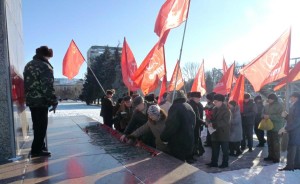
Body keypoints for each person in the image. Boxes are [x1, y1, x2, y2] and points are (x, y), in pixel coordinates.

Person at [23, 46, 58, 157]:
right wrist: (53, 100)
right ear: (46, 55)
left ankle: (40, 146)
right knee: (41, 126)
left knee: (37, 125)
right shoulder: (44, 66)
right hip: (41, 100)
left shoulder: (29, 64)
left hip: (32, 100)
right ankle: (36, 150)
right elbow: (47, 86)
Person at [160, 90, 195, 163]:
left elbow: (171, 126)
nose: (167, 98)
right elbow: (193, 123)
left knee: (176, 165)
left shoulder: (175, 107)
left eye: (169, 96)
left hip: (178, 144)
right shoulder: (188, 106)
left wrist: (163, 137)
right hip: (188, 141)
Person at [206, 94, 231, 168]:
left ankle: (225, 163)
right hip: (215, 132)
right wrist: (208, 121)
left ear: (221, 102)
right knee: (215, 149)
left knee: (225, 150)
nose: (214, 103)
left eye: (216, 101)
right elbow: (211, 117)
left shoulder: (226, 110)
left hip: (223, 132)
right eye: (214, 101)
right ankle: (214, 162)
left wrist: (213, 124)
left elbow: (225, 122)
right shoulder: (214, 108)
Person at [278, 92, 300, 171]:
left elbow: (297, 121)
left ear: (296, 97)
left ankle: (289, 166)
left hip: (295, 131)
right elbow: (293, 119)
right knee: (297, 148)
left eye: (291, 97)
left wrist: (286, 128)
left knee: (291, 147)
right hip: (295, 130)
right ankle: (297, 165)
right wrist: (286, 116)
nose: (290, 98)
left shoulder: (297, 106)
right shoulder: (295, 105)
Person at [263, 93, 285, 163]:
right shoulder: (267, 105)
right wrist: (263, 116)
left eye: (269, 99)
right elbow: (264, 112)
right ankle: (270, 156)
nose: (268, 100)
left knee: (276, 144)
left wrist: (269, 116)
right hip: (269, 127)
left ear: (273, 99)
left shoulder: (280, 106)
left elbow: (281, 117)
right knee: (269, 142)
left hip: (277, 128)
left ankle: (276, 158)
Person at [188, 92, 205, 157]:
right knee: (195, 139)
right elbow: (197, 117)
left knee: (197, 138)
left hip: (196, 124)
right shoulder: (193, 105)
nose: (199, 99)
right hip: (195, 125)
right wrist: (204, 123)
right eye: (198, 98)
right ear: (194, 98)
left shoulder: (196, 104)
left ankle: (198, 151)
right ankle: (194, 152)